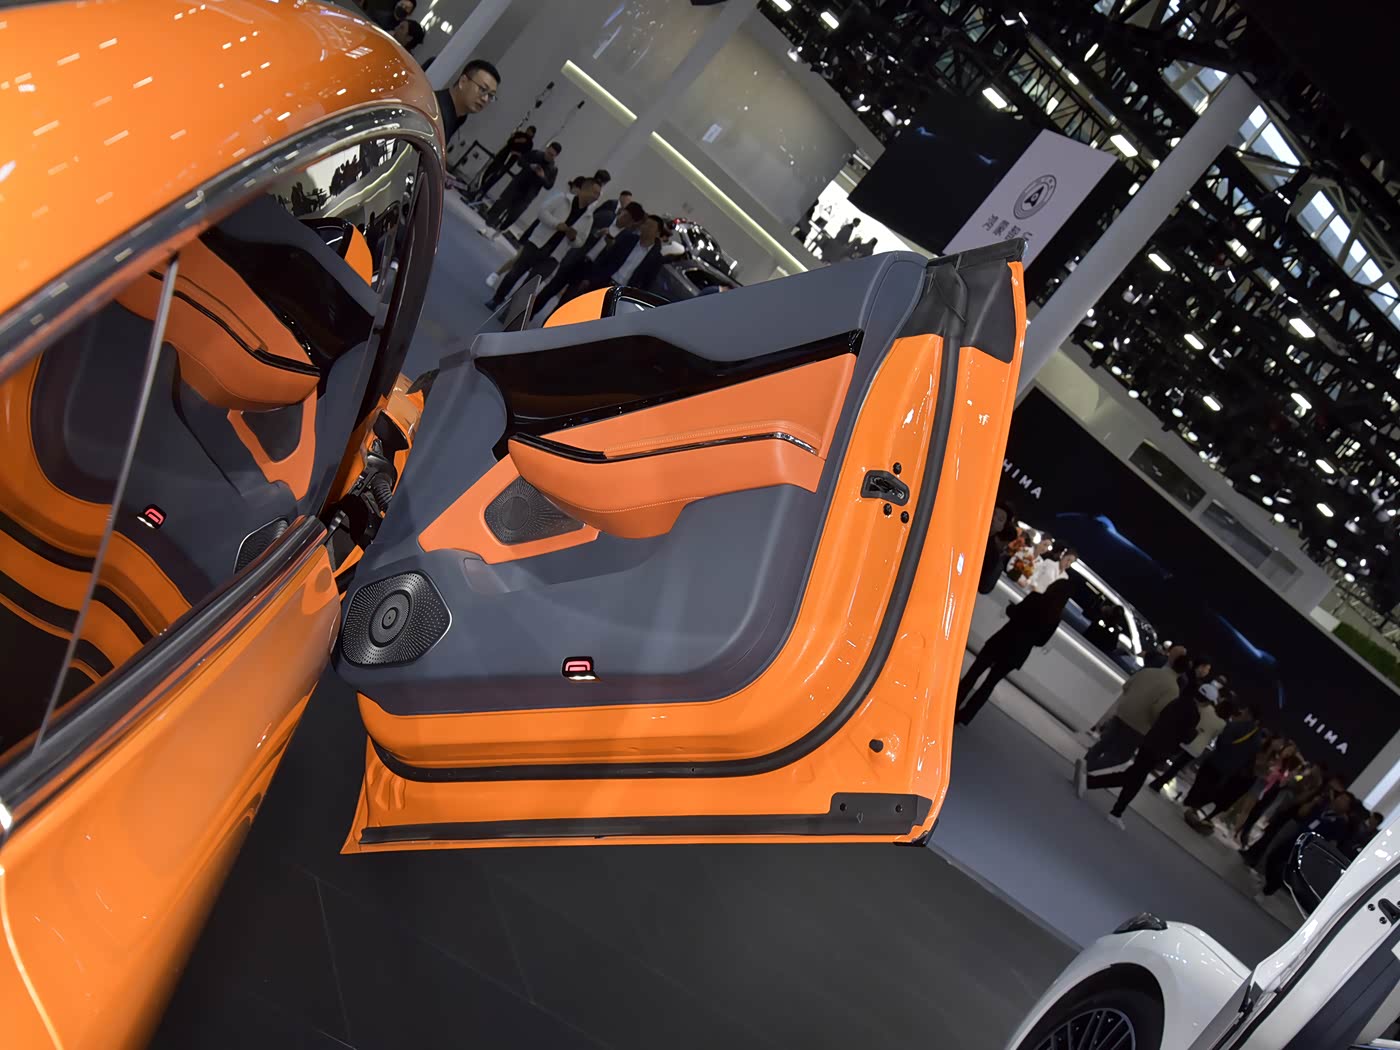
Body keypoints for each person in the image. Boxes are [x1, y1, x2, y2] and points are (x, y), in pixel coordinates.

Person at [1078, 685, 1204, 830]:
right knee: (1132, 777)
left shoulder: (1178, 701)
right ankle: (1090, 783)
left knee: (1134, 778)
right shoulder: (1194, 714)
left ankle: (1116, 811)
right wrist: (1194, 734)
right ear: (1206, 702)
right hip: (1160, 749)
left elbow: (1161, 716)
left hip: (1150, 740)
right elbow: (1186, 737)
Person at [955, 580, 1075, 726]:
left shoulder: (1035, 598)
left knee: (973, 673)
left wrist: (1010, 608)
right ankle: (965, 716)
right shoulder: (1055, 617)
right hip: (1017, 653)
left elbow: (1014, 613)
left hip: (1002, 640)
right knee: (989, 684)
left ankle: (953, 705)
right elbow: (1041, 642)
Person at [486, 176, 602, 312]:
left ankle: (509, 312)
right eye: (594, 192)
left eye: (598, 195)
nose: (596, 197)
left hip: (554, 255)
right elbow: (542, 211)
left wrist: (573, 238)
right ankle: (497, 299)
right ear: (584, 189)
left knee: (530, 285)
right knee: (514, 273)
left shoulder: (588, 218)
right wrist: (556, 224)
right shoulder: (563, 199)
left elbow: (581, 241)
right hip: (537, 243)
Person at [529, 210, 666, 319]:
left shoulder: (655, 258)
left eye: (650, 226)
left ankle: (552, 328)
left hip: (620, 290)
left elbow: (646, 283)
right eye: (645, 224)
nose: (645, 228)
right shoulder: (628, 239)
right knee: (551, 290)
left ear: (657, 233)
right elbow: (607, 259)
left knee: (575, 307)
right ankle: (531, 315)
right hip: (598, 276)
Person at [1081, 647, 1190, 773]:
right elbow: (1158, 709)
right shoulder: (1173, 689)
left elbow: (1127, 686)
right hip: (1139, 725)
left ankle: (1084, 763)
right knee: (1120, 756)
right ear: (1183, 671)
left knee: (1104, 743)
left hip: (1123, 712)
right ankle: (1088, 768)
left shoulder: (1149, 671)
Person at [1259, 784, 1353, 896]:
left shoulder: (1340, 823)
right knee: (1274, 856)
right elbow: (1302, 813)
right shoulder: (1323, 807)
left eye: (1344, 801)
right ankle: (1267, 882)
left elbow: (1333, 842)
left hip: (1307, 849)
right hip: (1296, 839)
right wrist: (1314, 802)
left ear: (1347, 807)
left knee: (1285, 868)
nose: (1340, 801)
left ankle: (1268, 889)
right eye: (1340, 797)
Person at [1149, 690, 1230, 794]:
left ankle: (1153, 767)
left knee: (1168, 754)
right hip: (1197, 748)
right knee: (1176, 768)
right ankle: (1158, 784)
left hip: (1187, 737)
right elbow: (1213, 736)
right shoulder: (1222, 724)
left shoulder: (1208, 709)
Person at [485, 141, 561, 233]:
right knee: (502, 203)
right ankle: (488, 222)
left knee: (515, 214)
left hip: (529, 193)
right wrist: (530, 166)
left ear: (556, 156)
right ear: (547, 149)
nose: (549, 156)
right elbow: (520, 161)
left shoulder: (553, 169)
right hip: (518, 184)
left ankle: (501, 229)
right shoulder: (536, 154)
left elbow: (549, 186)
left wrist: (542, 177)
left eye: (552, 155)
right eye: (548, 152)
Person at [434, 59, 500, 143]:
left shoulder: (461, 117)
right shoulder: (435, 109)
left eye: (490, 95)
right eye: (483, 89)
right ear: (463, 81)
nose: (485, 99)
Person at [473, 125, 535, 203]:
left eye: (530, 131)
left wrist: (516, 153)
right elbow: (509, 142)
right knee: (490, 170)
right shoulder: (519, 134)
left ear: (533, 134)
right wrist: (518, 140)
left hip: (510, 160)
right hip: (503, 155)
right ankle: (479, 185)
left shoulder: (530, 143)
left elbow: (525, 154)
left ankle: (482, 193)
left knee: (496, 176)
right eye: (528, 130)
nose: (528, 132)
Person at [978, 499, 1018, 596]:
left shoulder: (993, 556)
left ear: (1001, 527)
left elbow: (984, 587)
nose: (993, 518)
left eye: (1000, 519)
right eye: (993, 513)